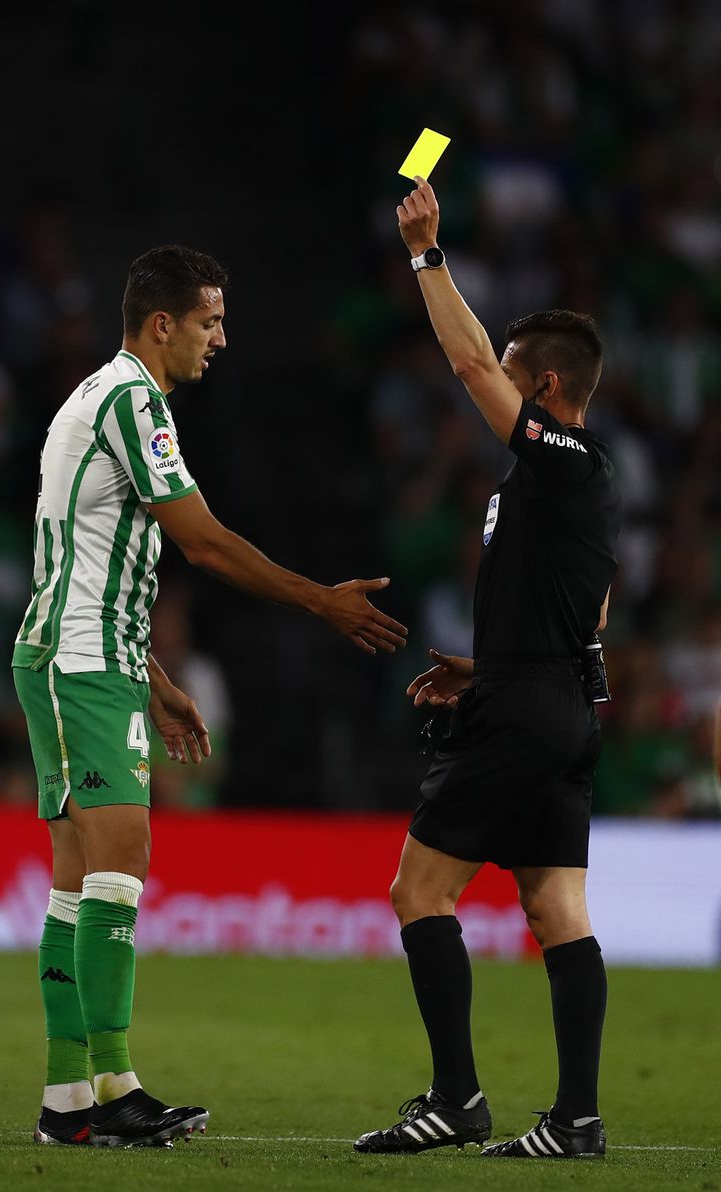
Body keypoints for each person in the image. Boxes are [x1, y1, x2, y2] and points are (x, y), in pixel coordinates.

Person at [12, 245, 408, 1148]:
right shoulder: (132, 400)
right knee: (118, 864)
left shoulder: (92, 396)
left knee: (80, 882)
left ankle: (70, 1102)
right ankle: (112, 1087)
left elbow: (81, 558)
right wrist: (322, 601)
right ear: (163, 324)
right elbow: (207, 545)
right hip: (79, 662)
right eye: (209, 321)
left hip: (88, 656)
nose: (221, 339)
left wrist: (151, 676)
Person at [354, 179, 620, 1160]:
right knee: (554, 908)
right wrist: (498, 666)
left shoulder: (559, 459)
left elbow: (466, 359)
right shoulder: (576, 483)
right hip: (552, 699)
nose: (494, 385)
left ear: (544, 389)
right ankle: (576, 1120)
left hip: (528, 708)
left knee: (418, 891)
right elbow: (593, 602)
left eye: (516, 377)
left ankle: (458, 1098)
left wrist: (428, 256)